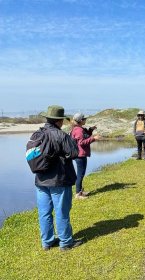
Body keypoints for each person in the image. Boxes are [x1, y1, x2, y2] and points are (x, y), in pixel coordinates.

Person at [35, 105, 83, 251]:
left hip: (40, 179)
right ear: (59, 121)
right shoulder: (61, 135)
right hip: (59, 180)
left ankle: (47, 242)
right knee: (61, 211)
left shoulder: (37, 134)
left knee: (44, 212)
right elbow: (75, 153)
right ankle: (66, 242)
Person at [70, 113, 101, 199]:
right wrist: (94, 138)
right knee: (80, 174)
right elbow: (81, 142)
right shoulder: (79, 130)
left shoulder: (78, 128)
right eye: (84, 119)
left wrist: (91, 129)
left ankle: (80, 191)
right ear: (80, 121)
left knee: (81, 173)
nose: (85, 120)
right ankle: (78, 194)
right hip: (80, 155)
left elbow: (85, 135)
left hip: (79, 154)